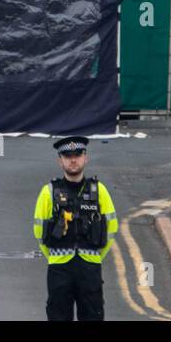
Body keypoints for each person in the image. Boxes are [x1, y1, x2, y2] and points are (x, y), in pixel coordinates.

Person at [32, 135, 119, 321]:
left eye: (78, 155)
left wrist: (97, 256)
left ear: (85, 158)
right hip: (59, 269)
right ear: (60, 160)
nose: (73, 160)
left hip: (90, 268)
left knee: (92, 316)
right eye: (67, 155)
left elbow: (112, 228)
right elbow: (39, 232)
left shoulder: (99, 190)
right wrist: (54, 257)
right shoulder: (48, 192)